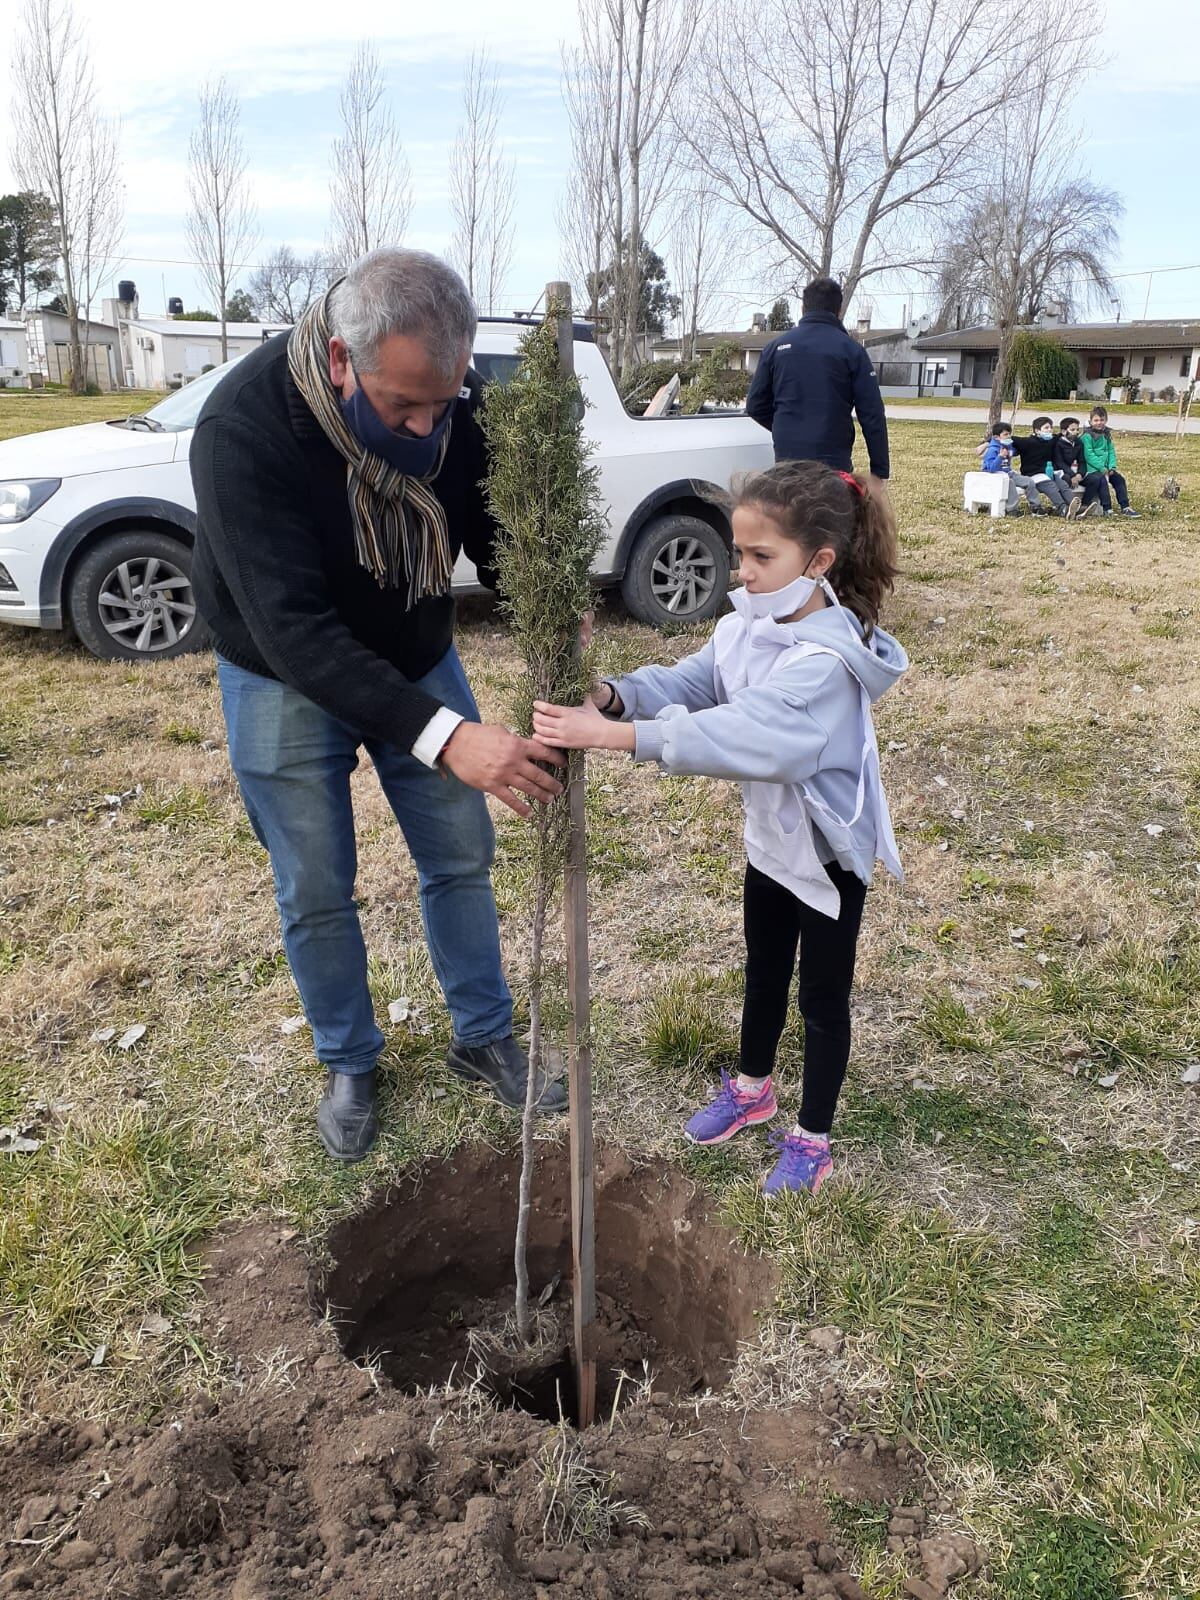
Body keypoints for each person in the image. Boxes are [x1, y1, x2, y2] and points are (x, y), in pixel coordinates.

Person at [190, 248, 569, 1165]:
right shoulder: (242, 432)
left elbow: (487, 522)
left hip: (415, 646)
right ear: (337, 361)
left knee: (461, 854)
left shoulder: (448, 399)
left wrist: (551, 612)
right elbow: (293, 631)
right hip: (281, 672)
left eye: (444, 400)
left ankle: (482, 1037)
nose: (427, 423)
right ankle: (350, 1063)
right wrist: (445, 736)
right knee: (316, 883)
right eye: (403, 405)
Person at [532, 461, 906, 1196]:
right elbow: (694, 684)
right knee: (763, 970)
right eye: (740, 554)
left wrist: (617, 738)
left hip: (828, 855)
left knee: (821, 998)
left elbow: (751, 730)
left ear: (819, 561)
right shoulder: (748, 626)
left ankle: (813, 1137)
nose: (744, 571)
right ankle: (752, 1088)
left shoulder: (827, 664)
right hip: (771, 845)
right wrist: (613, 697)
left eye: (762, 557)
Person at [745, 277, 890, 493]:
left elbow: (755, 405)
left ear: (803, 308)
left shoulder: (776, 348)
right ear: (839, 310)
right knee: (829, 522)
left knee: (791, 523)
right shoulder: (852, 351)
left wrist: (785, 427)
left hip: (787, 461)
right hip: (833, 463)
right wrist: (879, 472)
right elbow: (872, 415)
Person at [1009, 417, 1079, 515]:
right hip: (1033, 475)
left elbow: (1064, 434)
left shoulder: (1051, 440)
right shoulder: (1027, 442)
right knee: (1051, 486)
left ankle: (1075, 507)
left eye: (1050, 427)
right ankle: (1062, 508)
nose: (1049, 430)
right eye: (1046, 428)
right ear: (1037, 430)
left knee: (1062, 484)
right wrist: (987, 443)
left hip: (1048, 472)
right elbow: (1007, 438)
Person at [1079, 405, 1140, 517]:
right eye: (1096, 420)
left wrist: (1112, 467)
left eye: (1102, 420)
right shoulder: (1086, 436)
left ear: (1106, 420)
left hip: (1107, 468)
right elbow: (1089, 455)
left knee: (1119, 480)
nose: (1099, 423)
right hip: (1092, 469)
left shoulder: (1106, 434)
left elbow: (1111, 451)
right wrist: (1102, 468)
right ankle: (1107, 508)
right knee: (1102, 480)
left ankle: (1125, 507)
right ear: (1091, 421)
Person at [1052, 417, 1096, 519]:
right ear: (1063, 431)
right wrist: (1072, 476)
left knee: (1095, 479)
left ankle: (1084, 506)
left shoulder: (1079, 442)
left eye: (1077, 429)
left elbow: (1082, 461)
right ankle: (1068, 508)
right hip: (1062, 472)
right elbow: (1059, 462)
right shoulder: (1058, 443)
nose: (1075, 432)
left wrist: (1080, 474)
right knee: (1066, 480)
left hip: (1077, 474)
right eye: (1072, 430)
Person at [980, 422, 1025, 514]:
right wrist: (1000, 456)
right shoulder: (992, 450)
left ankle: (1036, 506)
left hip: (1007, 473)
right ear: (996, 437)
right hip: (993, 476)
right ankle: (1011, 509)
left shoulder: (1008, 446)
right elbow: (991, 469)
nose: (1008, 437)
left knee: (1028, 481)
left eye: (1009, 434)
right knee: (1010, 482)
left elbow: (1014, 452)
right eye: (1005, 434)